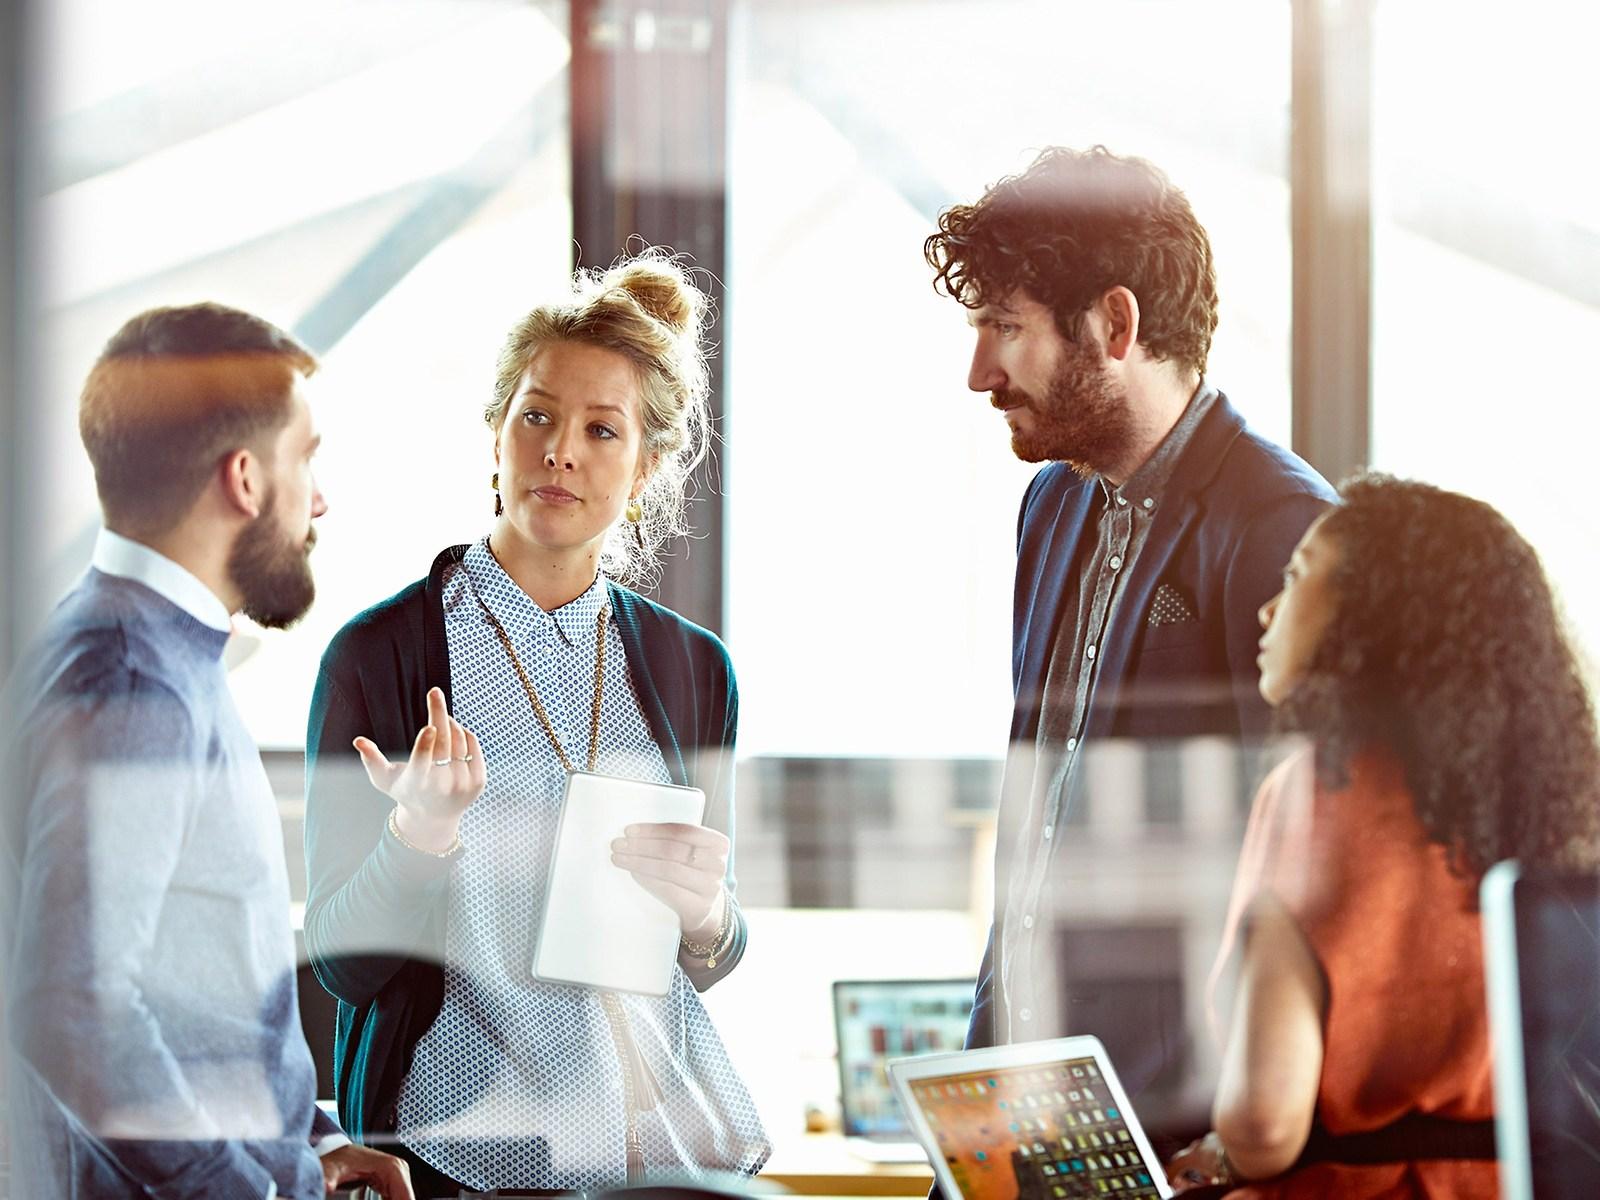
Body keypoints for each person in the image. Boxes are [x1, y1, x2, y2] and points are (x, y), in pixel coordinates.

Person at [302, 250, 769, 1197]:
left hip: (649, 1151)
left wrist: (711, 915)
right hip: (447, 1154)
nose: (562, 450)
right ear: (497, 434)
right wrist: (416, 836)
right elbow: (342, 971)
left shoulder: (693, 670)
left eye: (603, 430)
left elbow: (701, 957)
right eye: (539, 416)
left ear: (645, 468)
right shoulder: (380, 658)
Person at [923, 146, 1335, 1087]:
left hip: (1178, 1116)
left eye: (1003, 327)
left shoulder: (1285, 529)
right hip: (1030, 1094)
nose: (979, 372)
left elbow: (1314, 872)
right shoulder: (1053, 503)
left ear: (1116, 323)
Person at [0, 303, 413, 1198]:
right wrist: (248, 1189)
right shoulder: (130, 681)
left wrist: (304, 1146)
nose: (323, 496)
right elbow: (75, 1008)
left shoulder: (151, 649)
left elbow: (193, 989)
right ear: (244, 479)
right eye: (306, 457)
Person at [1166, 475, 1600, 1197]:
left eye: (1299, 576)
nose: (1268, 611)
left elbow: (1264, 1126)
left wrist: (1216, 1152)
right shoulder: (1564, 798)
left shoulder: (1318, 793)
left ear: (1376, 615)